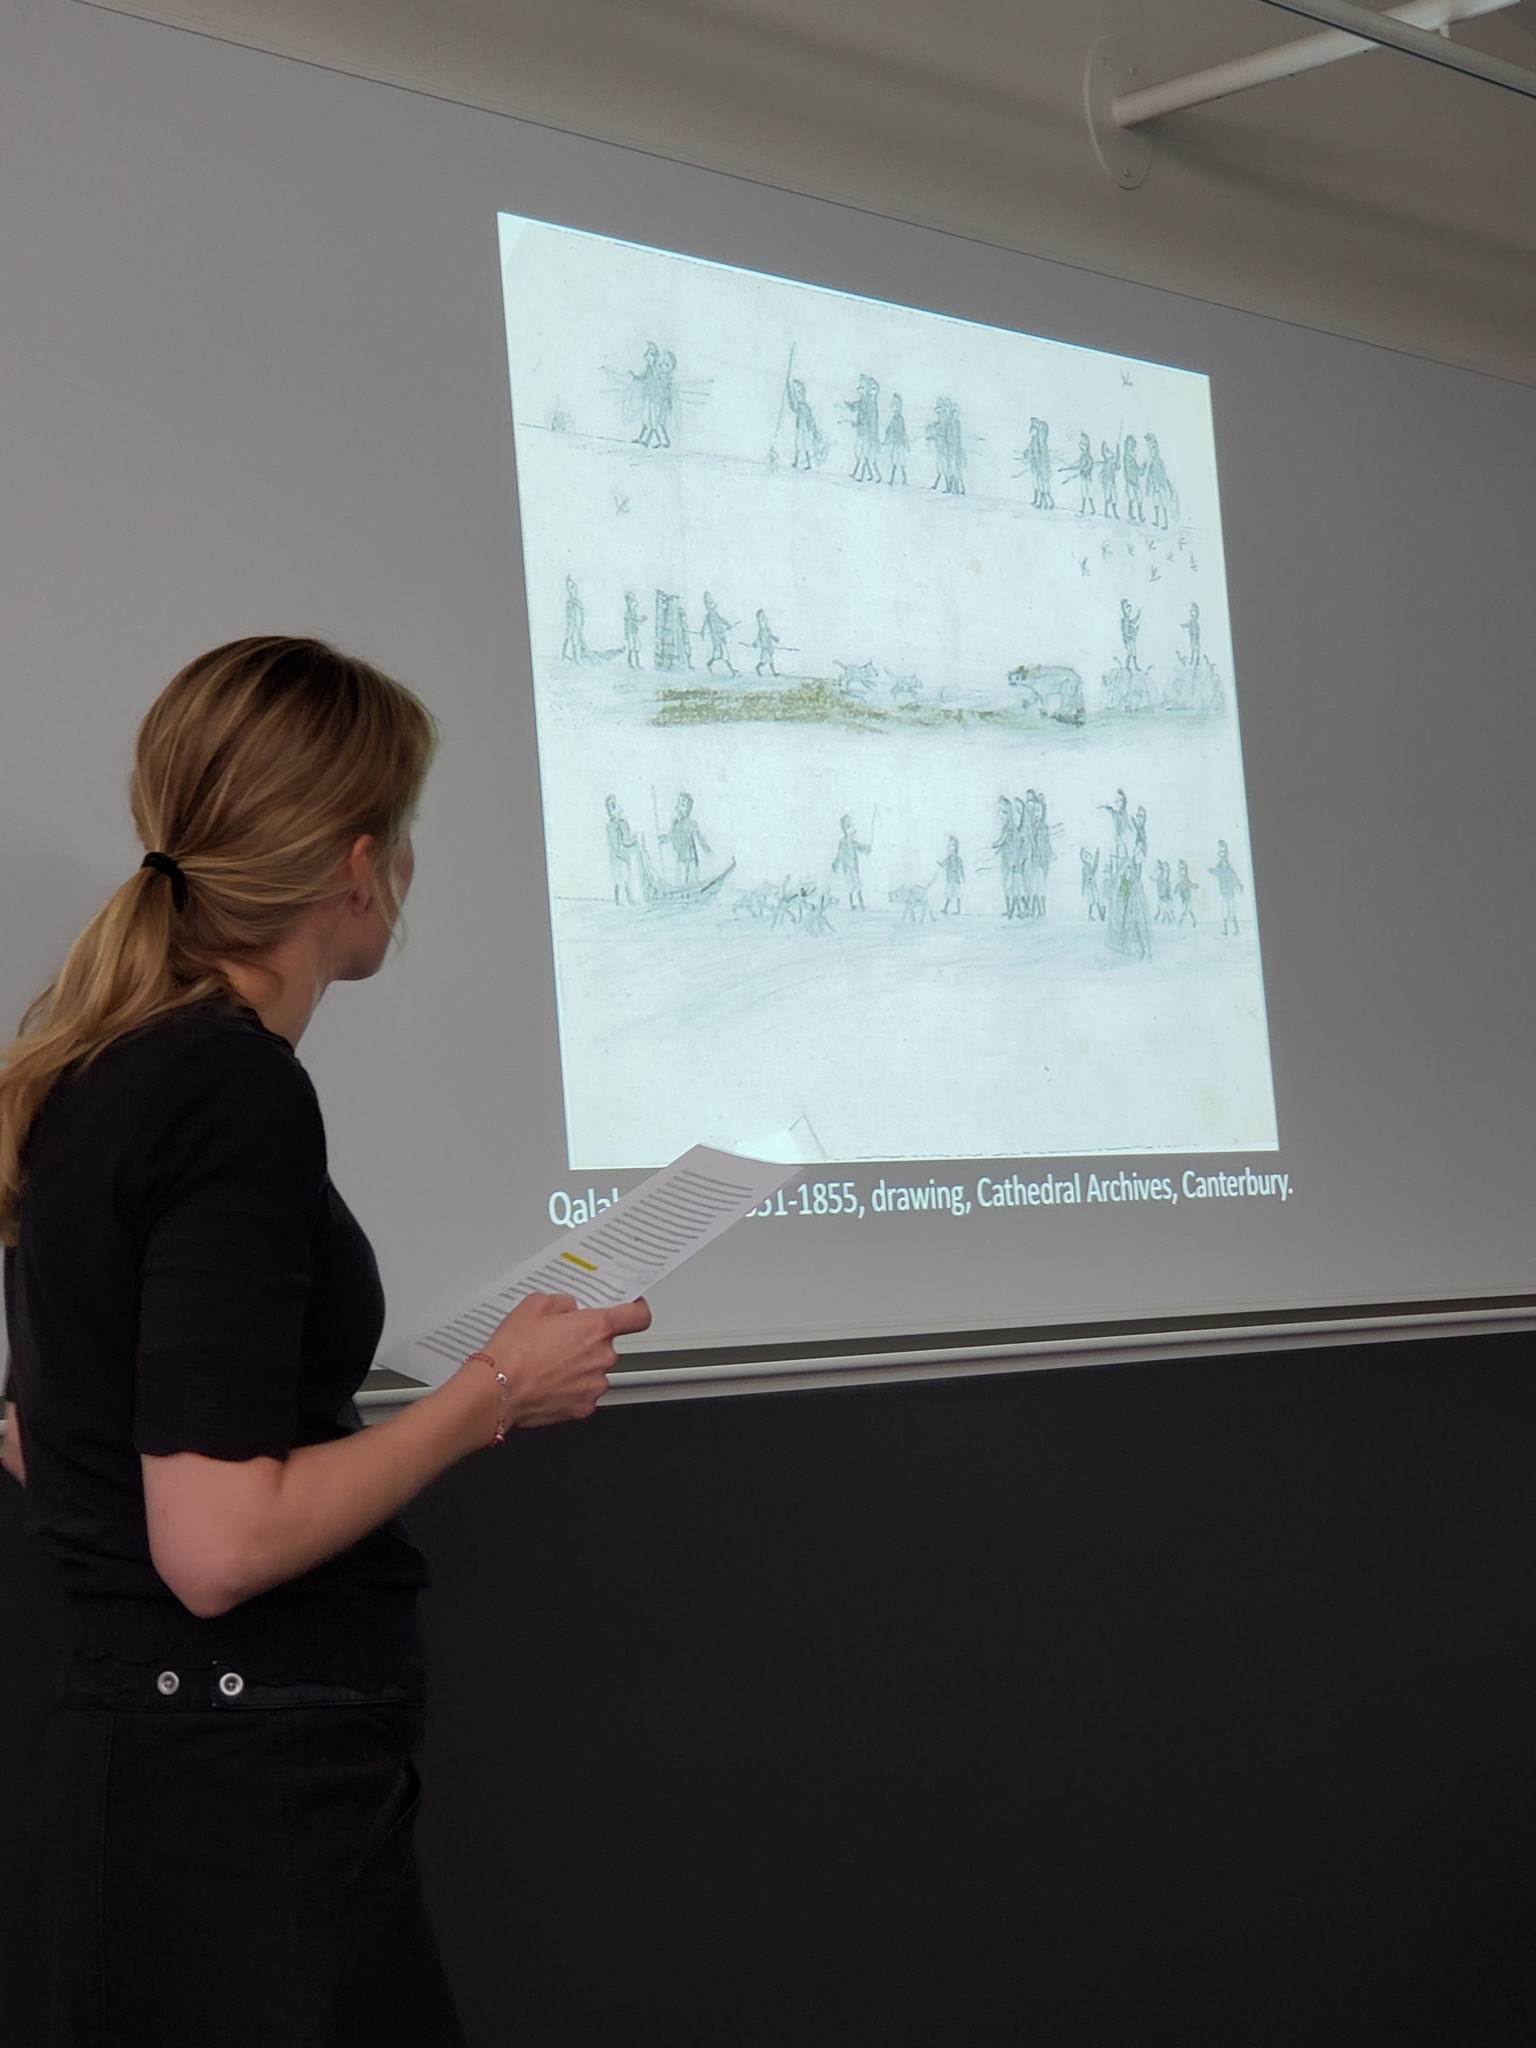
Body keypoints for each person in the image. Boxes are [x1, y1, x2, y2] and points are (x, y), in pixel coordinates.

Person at [0, 637, 649, 2047]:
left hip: (155, 1772)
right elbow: (215, 1546)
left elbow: (48, 1441)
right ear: (360, 865)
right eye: (404, 834)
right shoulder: (232, 1094)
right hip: (244, 1803)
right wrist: (496, 1387)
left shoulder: (104, 1069)